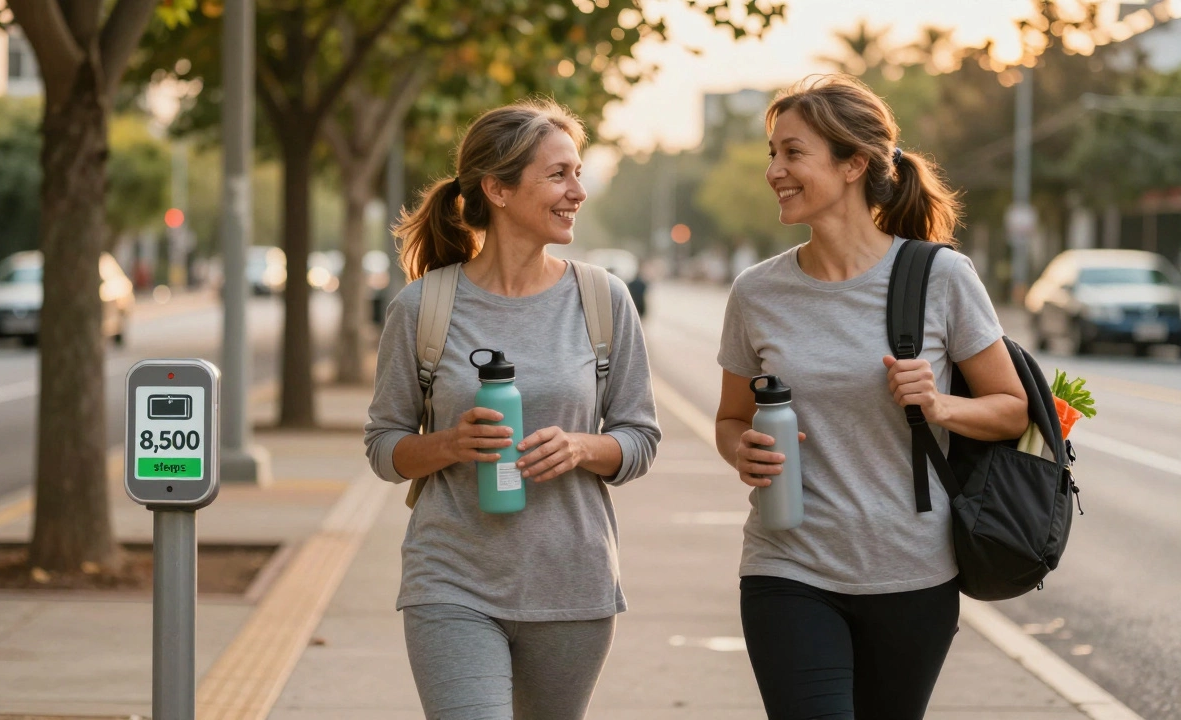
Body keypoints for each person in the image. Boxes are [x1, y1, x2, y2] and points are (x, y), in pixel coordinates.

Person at [713, 74, 1030, 720]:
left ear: (853, 163)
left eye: (792, 153)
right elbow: (730, 419)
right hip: (788, 568)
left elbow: (1015, 411)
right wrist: (739, 450)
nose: (774, 170)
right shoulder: (757, 292)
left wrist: (941, 406)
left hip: (912, 575)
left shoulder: (940, 277)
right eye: (773, 153)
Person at [364, 98, 660, 720]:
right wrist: (447, 445)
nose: (577, 191)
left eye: (578, 173)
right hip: (451, 580)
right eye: (558, 175)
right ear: (497, 188)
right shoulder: (423, 308)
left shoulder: (602, 300)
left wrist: (582, 447)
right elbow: (384, 447)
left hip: (572, 584)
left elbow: (640, 438)